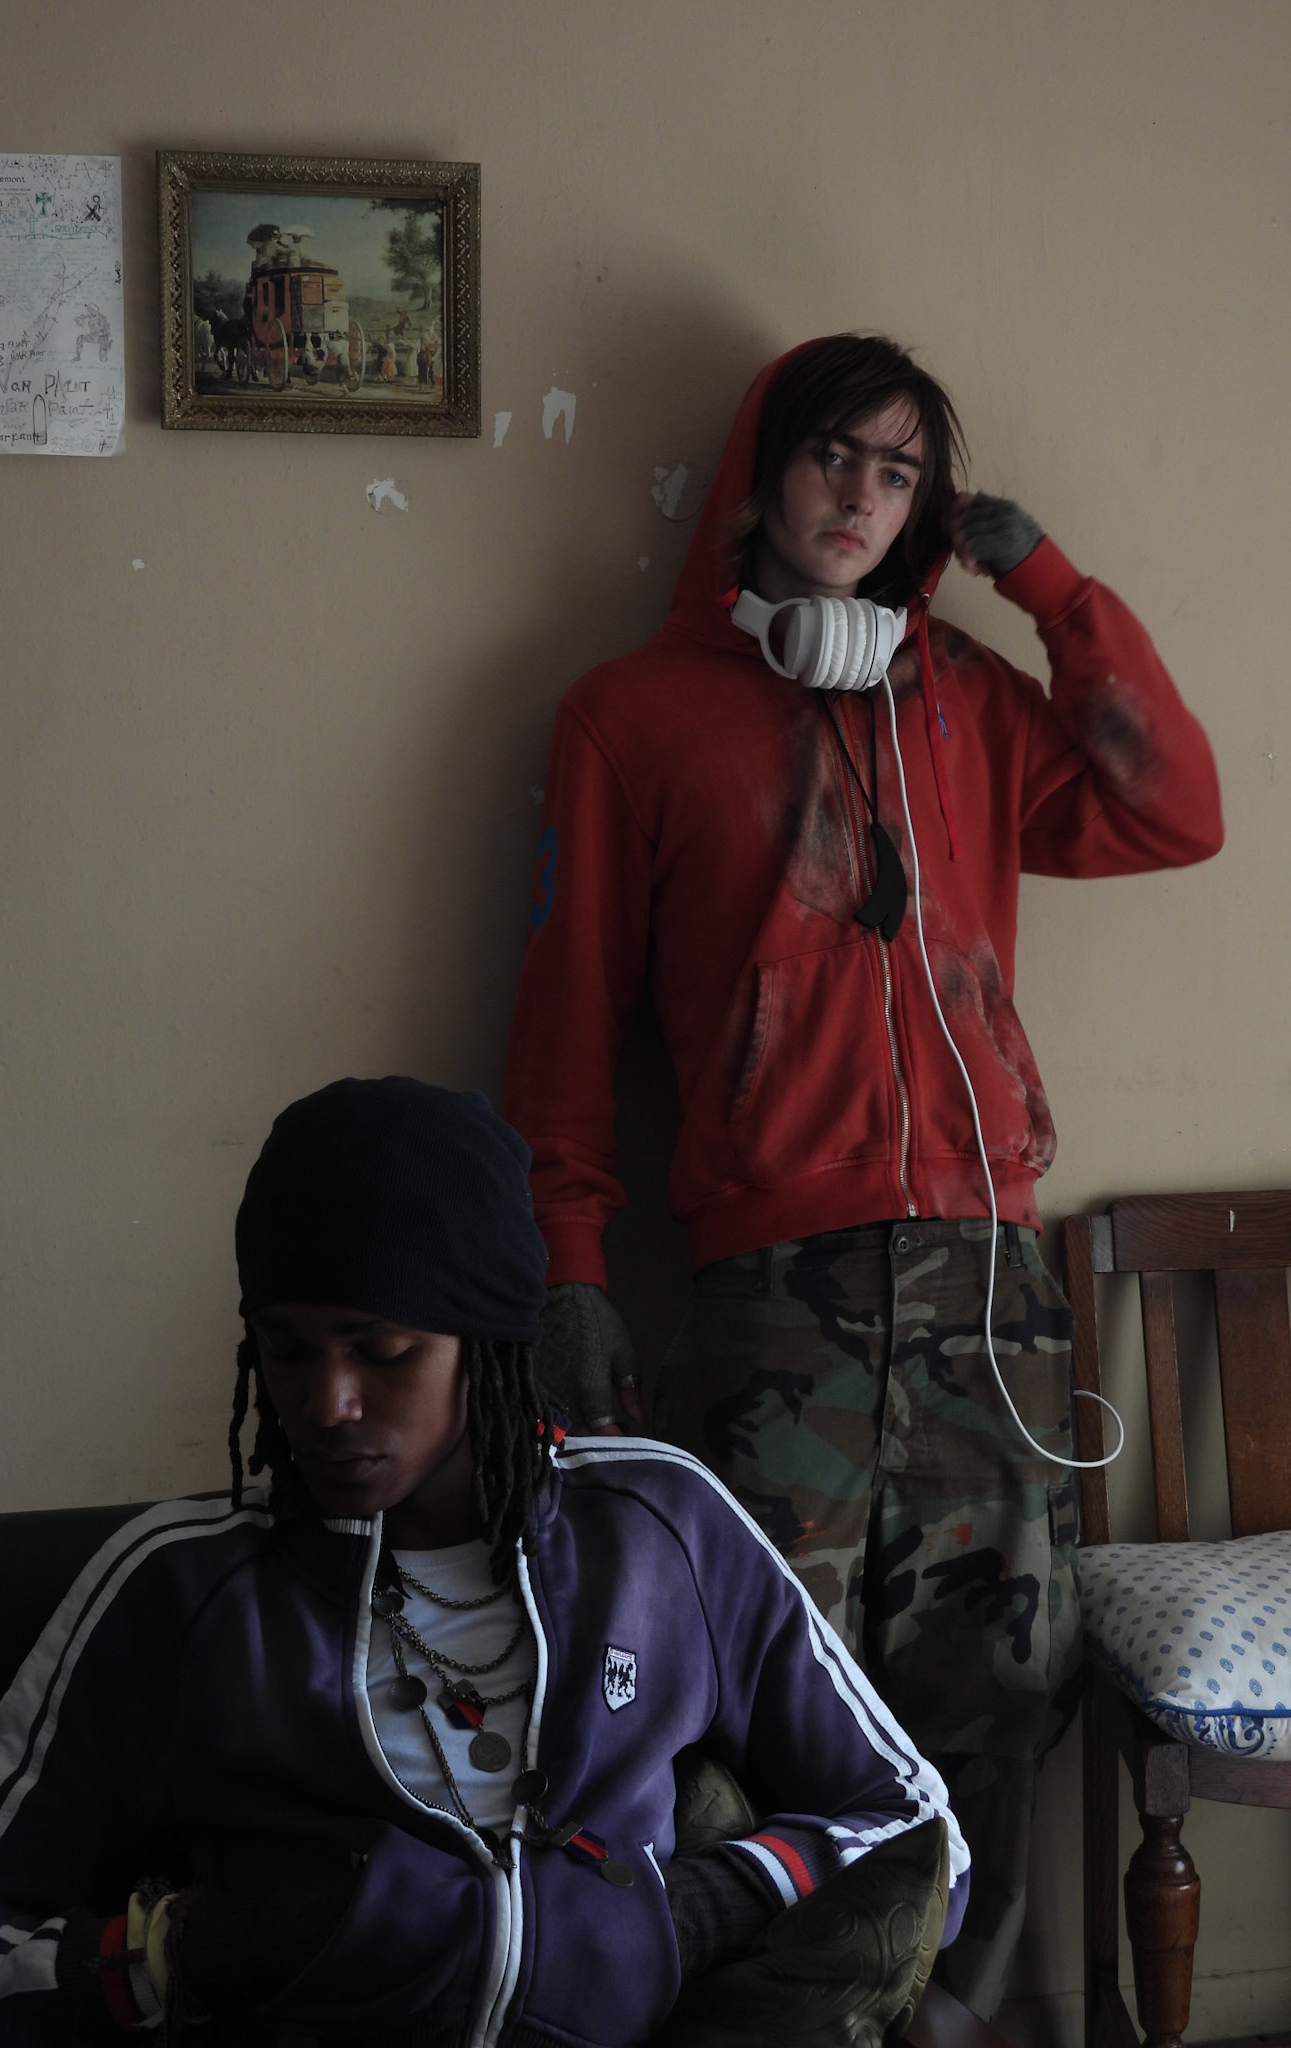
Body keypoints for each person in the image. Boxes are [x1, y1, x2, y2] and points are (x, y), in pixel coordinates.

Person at [501, 334, 1223, 2013]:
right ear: (762, 470)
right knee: (756, 1708)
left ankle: (958, 2014)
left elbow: (1175, 811)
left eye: (899, 474)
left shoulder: (962, 701)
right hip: (774, 1300)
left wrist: (1047, 586)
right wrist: (570, 1267)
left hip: (991, 1294)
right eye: (836, 455)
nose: (860, 497)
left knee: (998, 1695)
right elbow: (565, 1022)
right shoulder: (626, 716)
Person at [0, 1076, 967, 2047]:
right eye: (287, 1351)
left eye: (383, 1350)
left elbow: (918, 1830)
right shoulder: (182, 1585)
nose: (326, 1402)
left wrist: (696, 1910)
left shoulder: (656, 1525)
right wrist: (200, 1952)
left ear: (486, 1347)